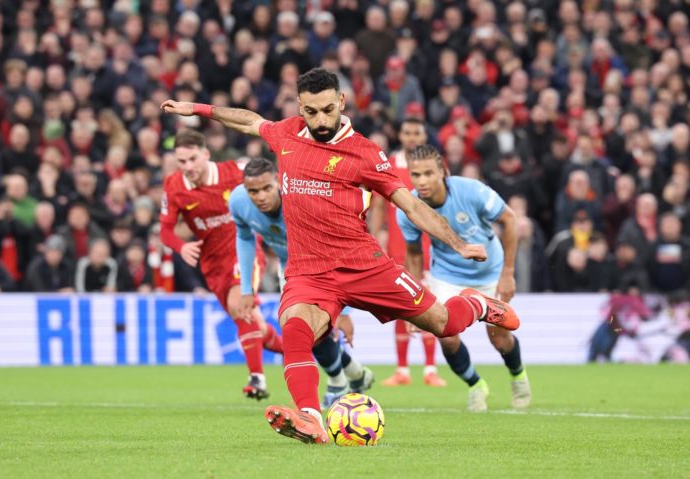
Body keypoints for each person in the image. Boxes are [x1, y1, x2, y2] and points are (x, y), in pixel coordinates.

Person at [161, 68, 519, 445]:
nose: (320, 120)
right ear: (300, 106)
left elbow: (411, 206)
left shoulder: (365, 153)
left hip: (365, 265)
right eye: (311, 111)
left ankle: (477, 305)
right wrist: (197, 109)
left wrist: (459, 243)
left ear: (342, 103)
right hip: (309, 273)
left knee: (445, 324)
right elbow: (251, 120)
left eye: (327, 110)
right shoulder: (286, 134)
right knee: (296, 330)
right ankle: (310, 417)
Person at [229, 157, 374, 408]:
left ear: (278, 181)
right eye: (253, 191)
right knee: (306, 331)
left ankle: (339, 383)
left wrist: (344, 309)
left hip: (326, 263)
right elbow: (244, 239)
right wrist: (246, 289)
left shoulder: (302, 199)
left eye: (266, 188)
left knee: (315, 329)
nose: (261, 196)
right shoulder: (238, 201)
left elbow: (337, 243)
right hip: (291, 269)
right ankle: (353, 375)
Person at [397, 145, 532, 412]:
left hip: (491, 273)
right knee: (446, 335)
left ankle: (518, 376)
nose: (422, 181)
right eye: (415, 175)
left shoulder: (471, 191)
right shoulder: (407, 208)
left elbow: (510, 219)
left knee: (500, 339)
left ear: (443, 172)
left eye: (428, 174)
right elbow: (412, 255)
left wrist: (507, 273)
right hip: (447, 276)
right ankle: (475, 385)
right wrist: (410, 302)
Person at [158, 128, 283, 400]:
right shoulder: (174, 186)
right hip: (212, 265)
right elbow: (165, 232)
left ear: (206, 154)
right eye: (181, 162)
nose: (188, 167)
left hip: (244, 249)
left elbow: (273, 181)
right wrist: (182, 246)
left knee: (241, 305)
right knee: (255, 327)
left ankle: (257, 378)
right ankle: (305, 352)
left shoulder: (234, 171)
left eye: (192, 159)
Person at [369, 117, 447, 388]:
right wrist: (375, 234)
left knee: (429, 304)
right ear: (400, 135)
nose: (412, 136)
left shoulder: (433, 167)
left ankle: (429, 369)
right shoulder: (387, 165)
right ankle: (402, 369)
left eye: (417, 132)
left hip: (428, 247)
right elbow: (379, 205)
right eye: (407, 131)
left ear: (424, 135)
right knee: (402, 306)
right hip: (397, 247)